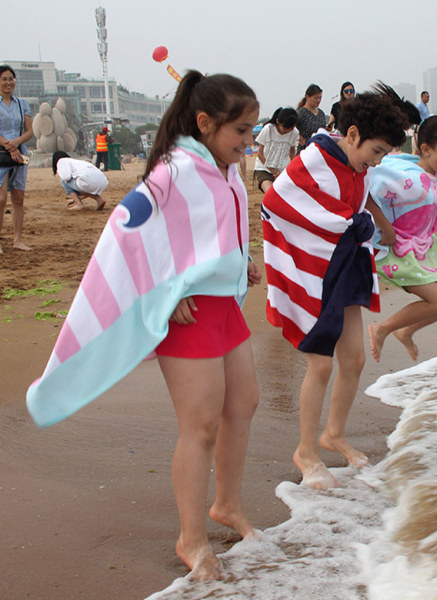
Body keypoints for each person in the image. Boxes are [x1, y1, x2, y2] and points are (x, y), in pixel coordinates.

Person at [27, 72, 262, 581]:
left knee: (243, 403)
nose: (249, 142)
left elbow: (204, 230)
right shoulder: (173, 170)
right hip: (189, 313)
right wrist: (162, 286)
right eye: (241, 131)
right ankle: (191, 539)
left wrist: (243, 260)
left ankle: (226, 504)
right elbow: (129, 229)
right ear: (205, 123)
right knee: (199, 426)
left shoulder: (225, 169)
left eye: (252, 130)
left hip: (224, 306)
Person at [262, 83, 417, 489]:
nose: (377, 162)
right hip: (317, 270)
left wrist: (375, 223)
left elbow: (357, 202)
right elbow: (278, 202)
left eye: (384, 154)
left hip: (346, 263)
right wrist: (351, 224)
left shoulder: (355, 165)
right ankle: (306, 452)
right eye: (376, 151)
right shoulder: (316, 159)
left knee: (353, 361)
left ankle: (334, 434)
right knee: (322, 362)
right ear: (352, 136)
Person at [366, 116, 437, 363]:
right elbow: (366, 190)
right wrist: (385, 227)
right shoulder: (403, 177)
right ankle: (382, 328)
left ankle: (405, 331)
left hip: (425, 247)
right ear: (426, 149)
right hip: (396, 249)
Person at [0, 65, 33, 253]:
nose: (8, 82)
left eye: (11, 78)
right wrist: (8, 145)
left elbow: (30, 131)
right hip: (1, 154)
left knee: (18, 197)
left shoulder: (22, 104)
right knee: (1, 199)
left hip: (20, 154)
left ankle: (17, 239)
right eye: (4, 79)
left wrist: (16, 143)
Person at [254, 107, 299, 193]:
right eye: (285, 128)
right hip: (264, 168)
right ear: (278, 121)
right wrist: (273, 171)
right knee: (270, 193)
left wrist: (293, 168)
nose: (287, 131)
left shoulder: (294, 133)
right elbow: (260, 154)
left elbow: (292, 153)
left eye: (291, 129)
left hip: (282, 170)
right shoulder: (268, 129)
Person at [296, 84, 327, 151]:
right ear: (307, 97)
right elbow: (292, 129)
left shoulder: (321, 113)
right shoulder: (301, 112)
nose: (318, 100)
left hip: (319, 149)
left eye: (320, 98)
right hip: (305, 149)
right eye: (316, 98)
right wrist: (300, 138)